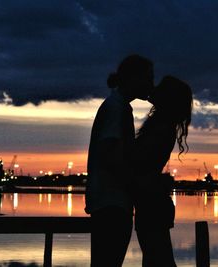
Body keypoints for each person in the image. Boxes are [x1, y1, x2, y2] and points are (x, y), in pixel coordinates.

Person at [85, 54, 154, 267]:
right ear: (134, 78)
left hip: (108, 202)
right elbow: (110, 153)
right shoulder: (116, 109)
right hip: (112, 204)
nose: (151, 84)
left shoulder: (117, 106)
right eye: (148, 78)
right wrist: (135, 184)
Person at [133, 76, 193, 267]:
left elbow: (140, 162)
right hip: (152, 202)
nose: (154, 88)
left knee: (157, 259)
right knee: (157, 259)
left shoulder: (160, 128)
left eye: (160, 87)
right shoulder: (162, 126)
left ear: (167, 97)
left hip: (151, 203)